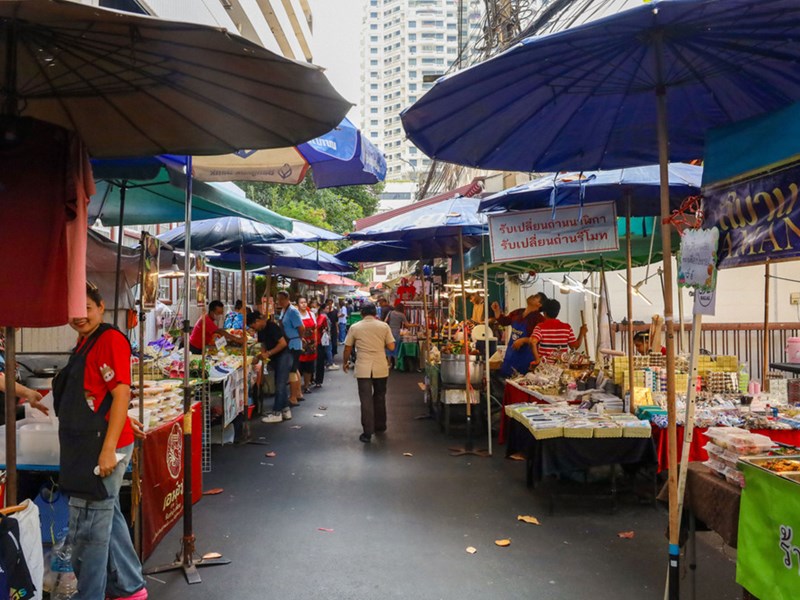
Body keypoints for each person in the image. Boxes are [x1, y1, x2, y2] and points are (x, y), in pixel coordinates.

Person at [52, 283, 147, 600]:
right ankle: (130, 588)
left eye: (87, 309)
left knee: (88, 531)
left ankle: (90, 595)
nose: (80, 317)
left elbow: (121, 391)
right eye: (74, 312)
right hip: (88, 443)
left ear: (101, 307)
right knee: (108, 519)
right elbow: (101, 395)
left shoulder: (109, 340)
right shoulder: (84, 343)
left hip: (101, 448)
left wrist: (108, 451)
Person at [343, 303, 395, 443]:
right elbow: (391, 346)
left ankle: (367, 432)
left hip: (363, 367)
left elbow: (347, 348)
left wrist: (345, 362)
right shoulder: (384, 326)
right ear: (375, 313)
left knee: (365, 399)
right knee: (379, 396)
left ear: (362, 313)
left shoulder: (355, 327)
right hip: (380, 366)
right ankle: (380, 425)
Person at [492, 293, 548, 377]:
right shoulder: (518, 312)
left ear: (539, 304)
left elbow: (540, 339)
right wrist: (497, 311)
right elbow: (504, 321)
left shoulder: (539, 319)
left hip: (525, 358)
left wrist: (524, 340)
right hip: (510, 355)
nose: (532, 296)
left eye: (536, 297)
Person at [258, 310, 292, 424]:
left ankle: (277, 413)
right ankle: (286, 410)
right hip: (276, 358)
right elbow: (263, 344)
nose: (253, 328)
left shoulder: (272, 327)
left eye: (253, 325)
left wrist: (269, 353)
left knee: (280, 385)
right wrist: (262, 355)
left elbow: (283, 344)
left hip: (284, 356)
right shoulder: (260, 330)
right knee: (280, 384)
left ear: (258, 321)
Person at [530, 298, 588, 365]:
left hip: (544, 368)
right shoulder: (566, 328)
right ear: (557, 312)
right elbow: (574, 347)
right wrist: (581, 333)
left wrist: (537, 360)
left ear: (544, 313)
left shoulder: (540, 327)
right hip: (561, 368)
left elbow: (533, 342)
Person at [277, 291, 305, 405]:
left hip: (293, 343)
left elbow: (301, 327)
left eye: (282, 299)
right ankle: (298, 393)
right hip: (289, 342)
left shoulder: (293, 311)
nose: (280, 301)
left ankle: (293, 397)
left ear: (288, 298)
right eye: (278, 299)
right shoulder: (284, 310)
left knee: (292, 371)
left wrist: (299, 338)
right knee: (295, 368)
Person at [296, 296, 318, 394]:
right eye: (301, 302)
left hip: (311, 343)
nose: (304, 304)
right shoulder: (296, 315)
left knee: (309, 366)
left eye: (305, 302)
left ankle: (306, 385)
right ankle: (297, 387)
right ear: (298, 305)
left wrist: (316, 341)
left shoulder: (312, 314)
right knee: (299, 365)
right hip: (300, 343)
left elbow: (315, 328)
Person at [311, 299, 331, 388]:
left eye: (315, 306)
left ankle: (318, 380)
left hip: (319, 342)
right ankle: (310, 379)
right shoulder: (308, 317)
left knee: (319, 362)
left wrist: (324, 331)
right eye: (312, 306)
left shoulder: (322, 317)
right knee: (309, 361)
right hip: (309, 342)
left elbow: (326, 328)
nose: (313, 308)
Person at [384, 302, 410, 368]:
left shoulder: (390, 312)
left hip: (389, 332)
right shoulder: (402, 315)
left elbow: (385, 321)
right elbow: (407, 325)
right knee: (396, 348)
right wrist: (415, 325)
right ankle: (396, 364)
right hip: (396, 333)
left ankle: (389, 364)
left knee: (388, 348)